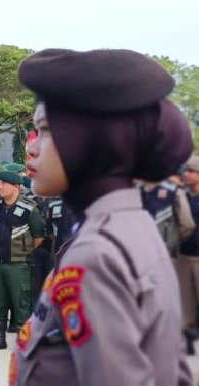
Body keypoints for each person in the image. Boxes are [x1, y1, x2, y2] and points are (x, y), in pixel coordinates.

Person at [10, 48, 192, 384]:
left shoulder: (96, 253)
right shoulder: (132, 225)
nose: (31, 148)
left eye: (47, 130)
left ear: (92, 141)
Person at [0, 171, 45, 351]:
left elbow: (39, 235)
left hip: (18, 263)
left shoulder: (28, 208)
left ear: (16, 186)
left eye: (4, 183)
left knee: (21, 301)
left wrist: (24, 251)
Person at [179, 156, 199, 354]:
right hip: (184, 255)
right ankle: (189, 341)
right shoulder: (183, 196)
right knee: (186, 303)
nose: (186, 174)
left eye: (191, 171)